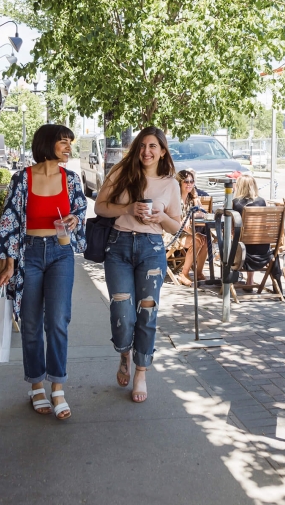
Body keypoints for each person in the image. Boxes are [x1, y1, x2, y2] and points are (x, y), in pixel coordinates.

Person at [0, 124, 87, 420]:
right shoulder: (21, 179)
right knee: (31, 323)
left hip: (60, 254)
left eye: (70, 142)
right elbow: (9, 220)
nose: (68, 147)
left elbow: (80, 210)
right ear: (48, 144)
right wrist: (9, 263)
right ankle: (36, 385)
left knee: (58, 320)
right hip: (29, 255)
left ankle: (57, 386)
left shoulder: (71, 179)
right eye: (64, 142)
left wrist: (74, 219)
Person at [95, 127, 181, 402]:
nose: (147, 151)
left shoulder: (171, 183)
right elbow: (99, 207)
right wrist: (128, 209)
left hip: (151, 249)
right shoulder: (121, 173)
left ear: (162, 151)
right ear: (137, 148)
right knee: (122, 311)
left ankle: (140, 372)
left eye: (153, 146)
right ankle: (124, 354)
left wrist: (159, 217)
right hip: (118, 246)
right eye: (143, 145)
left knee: (147, 314)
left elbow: (176, 225)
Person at [232, 174, 284, 293]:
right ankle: (250, 281)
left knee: (230, 243)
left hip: (242, 252)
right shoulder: (262, 201)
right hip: (263, 251)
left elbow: (230, 228)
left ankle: (230, 281)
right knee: (252, 242)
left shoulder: (235, 203)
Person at [173, 169, 208, 286]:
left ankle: (198, 272)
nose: (189, 184)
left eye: (192, 181)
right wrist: (194, 233)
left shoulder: (191, 198)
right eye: (186, 181)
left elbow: (203, 213)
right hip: (172, 234)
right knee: (197, 241)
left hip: (185, 232)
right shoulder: (175, 199)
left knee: (205, 240)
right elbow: (178, 224)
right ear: (179, 183)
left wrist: (191, 214)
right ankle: (184, 273)